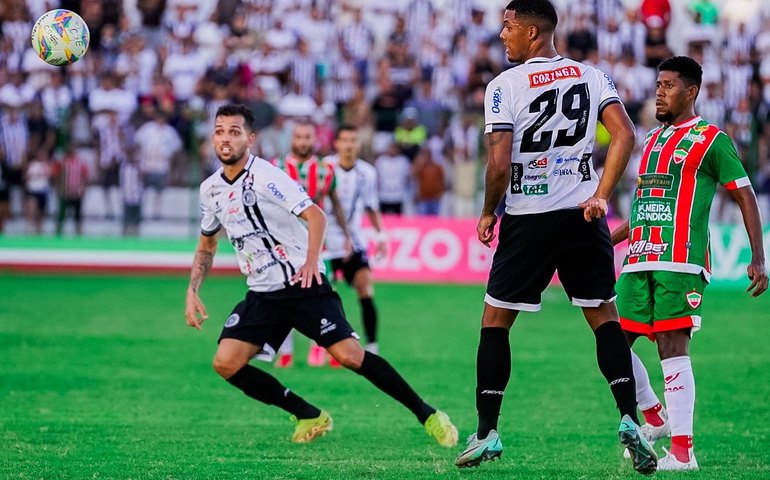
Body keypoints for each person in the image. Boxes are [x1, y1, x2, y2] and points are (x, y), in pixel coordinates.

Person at [454, 1, 656, 475]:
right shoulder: (592, 76)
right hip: (582, 219)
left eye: (507, 27)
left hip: (528, 219)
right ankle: (629, 419)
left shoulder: (504, 86)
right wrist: (602, 195)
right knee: (604, 318)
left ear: (531, 32)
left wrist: (488, 211)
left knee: (495, 322)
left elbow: (499, 163)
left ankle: (486, 432)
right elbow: (625, 135)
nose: (501, 35)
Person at [184, 104, 458, 447]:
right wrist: (192, 290)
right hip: (262, 294)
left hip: (303, 286)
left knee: (350, 357)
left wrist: (312, 262)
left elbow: (316, 216)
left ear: (250, 139)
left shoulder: (269, 177)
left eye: (234, 132)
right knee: (225, 363)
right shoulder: (209, 190)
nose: (225, 138)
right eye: (220, 131)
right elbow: (207, 244)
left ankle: (428, 414)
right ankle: (307, 413)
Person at [611, 56, 768, 471]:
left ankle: (683, 453)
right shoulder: (653, 140)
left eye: (669, 85)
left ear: (691, 91)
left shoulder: (711, 140)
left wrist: (758, 256)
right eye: (658, 84)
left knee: (671, 348)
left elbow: (745, 194)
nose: (659, 91)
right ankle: (654, 416)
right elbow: (645, 206)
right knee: (610, 340)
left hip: (680, 260)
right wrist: (604, 241)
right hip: (639, 257)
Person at [271, 121, 352, 367]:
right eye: (299, 137)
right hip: (285, 244)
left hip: (319, 246)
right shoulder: (277, 168)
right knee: (284, 297)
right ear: (292, 139)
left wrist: (347, 236)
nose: (303, 141)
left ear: (314, 139)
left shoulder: (326, 170)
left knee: (321, 297)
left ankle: (321, 348)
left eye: (308, 137)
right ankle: (285, 352)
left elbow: (335, 203)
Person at [323, 124, 388, 356]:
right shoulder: (325, 168)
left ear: (358, 144)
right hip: (326, 242)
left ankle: (371, 345)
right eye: (345, 140)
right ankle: (323, 346)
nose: (349, 145)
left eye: (353, 140)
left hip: (356, 242)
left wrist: (381, 236)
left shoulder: (367, 173)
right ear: (336, 144)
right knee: (324, 296)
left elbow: (371, 206)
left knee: (365, 288)